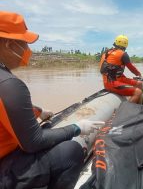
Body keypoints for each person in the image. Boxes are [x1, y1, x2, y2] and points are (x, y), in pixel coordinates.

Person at [0, 11, 105, 189]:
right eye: (24, 44)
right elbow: (33, 142)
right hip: (4, 169)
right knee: (71, 151)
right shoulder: (10, 84)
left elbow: (6, 105)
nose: (28, 50)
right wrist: (77, 127)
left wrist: (39, 112)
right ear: (10, 44)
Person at [99, 35, 143, 103]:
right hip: (112, 83)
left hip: (114, 79)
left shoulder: (106, 53)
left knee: (139, 83)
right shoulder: (123, 54)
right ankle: (126, 110)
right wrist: (139, 74)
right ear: (126, 45)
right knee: (138, 92)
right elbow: (132, 68)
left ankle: (136, 105)